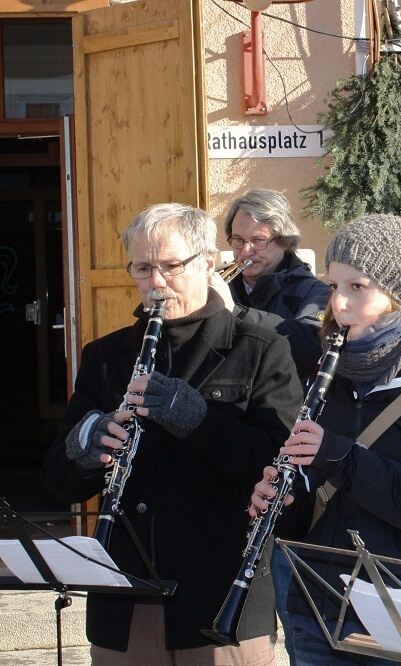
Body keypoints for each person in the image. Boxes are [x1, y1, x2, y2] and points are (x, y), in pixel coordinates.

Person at [43, 203, 302, 664]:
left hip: (220, 596)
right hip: (126, 598)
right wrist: (86, 446)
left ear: (208, 262)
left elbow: (279, 468)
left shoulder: (261, 346)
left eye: (171, 266)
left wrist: (198, 420)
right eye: (143, 268)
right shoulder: (106, 356)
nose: (156, 282)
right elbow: (61, 481)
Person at [248, 213, 401, 666]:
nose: (338, 303)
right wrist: (286, 502)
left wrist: (340, 456)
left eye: (357, 287)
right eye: (333, 286)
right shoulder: (331, 372)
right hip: (316, 604)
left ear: (400, 296)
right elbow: (318, 499)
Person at [223, 188, 331, 381]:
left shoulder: (316, 293)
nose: (245, 252)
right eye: (238, 239)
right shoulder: (222, 284)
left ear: (286, 241)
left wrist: (234, 311)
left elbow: (309, 348)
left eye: (258, 240)